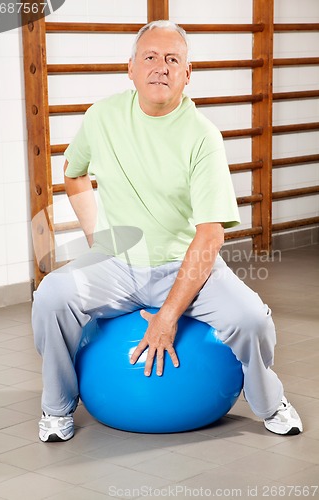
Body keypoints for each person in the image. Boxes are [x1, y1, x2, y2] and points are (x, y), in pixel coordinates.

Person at [33, 20, 303, 442]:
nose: (161, 67)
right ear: (131, 68)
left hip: (185, 266)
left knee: (252, 319)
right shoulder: (102, 116)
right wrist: (98, 238)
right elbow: (74, 174)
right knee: (51, 295)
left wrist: (167, 317)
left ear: (187, 74)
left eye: (172, 59)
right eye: (150, 57)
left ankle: (270, 401)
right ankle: (57, 406)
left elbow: (210, 237)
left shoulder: (201, 137)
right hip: (117, 264)